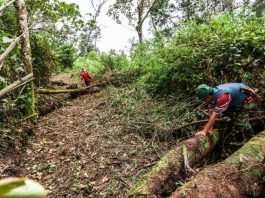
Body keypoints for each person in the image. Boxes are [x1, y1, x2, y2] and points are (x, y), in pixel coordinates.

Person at [195, 83, 259, 137]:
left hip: (244, 98)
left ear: (208, 96)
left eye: (203, 99)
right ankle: (235, 129)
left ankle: (251, 138)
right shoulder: (212, 97)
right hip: (232, 101)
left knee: (242, 122)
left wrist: (204, 131)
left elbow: (214, 116)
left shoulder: (223, 96)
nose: (203, 101)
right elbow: (211, 112)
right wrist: (209, 129)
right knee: (230, 117)